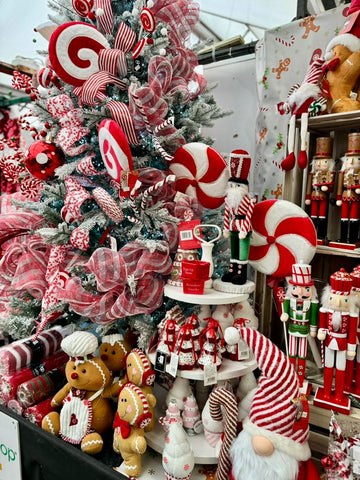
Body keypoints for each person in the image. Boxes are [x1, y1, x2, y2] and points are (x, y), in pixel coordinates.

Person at [314, 268, 357, 413]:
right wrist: (321, 331)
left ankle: (339, 395)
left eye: (343, 301)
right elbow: (322, 324)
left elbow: (351, 332)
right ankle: (326, 392)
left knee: (340, 368)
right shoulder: (326, 311)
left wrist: (351, 347)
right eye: (333, 299)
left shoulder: (351, 315)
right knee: (328, 367)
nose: (338, 304)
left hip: (343, 343)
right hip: (329, 341)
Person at [280, 263, 319, 390]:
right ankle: (291, 379)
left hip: (304, 330)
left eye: (306, 289)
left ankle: (300, 379)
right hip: (292, 328)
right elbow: (285, 310)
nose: (300, 292)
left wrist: (313, 328)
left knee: (302, 355)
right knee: (291, 353)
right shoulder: (289, 300)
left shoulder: (312, 303)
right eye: (296, 287)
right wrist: (285, 314)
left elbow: (313, 317)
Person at [221, 150, 255, 285]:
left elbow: (249, 215)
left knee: (243, 251)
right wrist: (225, 228)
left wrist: (244, 230)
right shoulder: (229, 199)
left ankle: (241, 274)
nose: (234, 188)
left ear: (244, 187)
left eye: (238, 186)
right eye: (232, 185)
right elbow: (226, 214)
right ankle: (232, 272)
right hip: (233, 225)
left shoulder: (249, 201)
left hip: (243, 227)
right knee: (233, 250)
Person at [305, 137, 335, 243]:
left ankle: (321, 234)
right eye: (317, 161)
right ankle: (312, 233)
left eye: (324, 161)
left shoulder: (329, 174)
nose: (319, 164)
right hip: (314, 195)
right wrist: (307, 197)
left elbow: (332, 188)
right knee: (313, 215)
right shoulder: (312, 174)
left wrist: (327, 188)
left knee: (322, 215)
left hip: (323, 197)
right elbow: (309, 186)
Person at [334, 133, 360, 245]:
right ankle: (343, 237)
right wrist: (339, 197)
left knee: (354, 217)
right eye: (349, 159)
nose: (352, 162)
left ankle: (353, 238)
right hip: (345, 195)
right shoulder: (343, 173)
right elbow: (340, 186)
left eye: (357, 159)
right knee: (344, 217)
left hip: (355, 196)